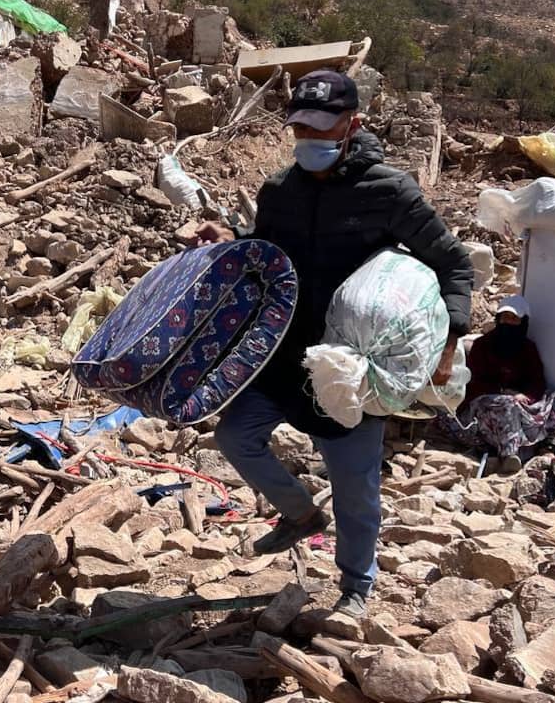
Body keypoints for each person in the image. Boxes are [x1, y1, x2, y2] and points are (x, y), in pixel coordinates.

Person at [197, 70, 474, 619]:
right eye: (300, 128)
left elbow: (453, 263)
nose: (309, 140)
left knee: (355, 488)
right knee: (235, 436)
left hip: (347, 367)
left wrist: (448, 343)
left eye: (322, 128)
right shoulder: (279, 191)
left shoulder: (388, 191)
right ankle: (300, 515)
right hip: (282, 353)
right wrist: (229, 243)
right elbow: (266, 254)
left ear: (354, 125)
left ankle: (355, 588)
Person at [440, 295, 555, 469]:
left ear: (522, 322)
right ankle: (509, 454)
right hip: (485, 403)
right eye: (504, 317)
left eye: (513, 319)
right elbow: (474, 382)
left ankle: (548, 446)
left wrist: (526, 396)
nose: (508, 322)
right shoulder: (482, 345)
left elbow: (537, 381)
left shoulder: (528, 348)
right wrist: (504, 391)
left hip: (520, 402)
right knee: (507, 404)